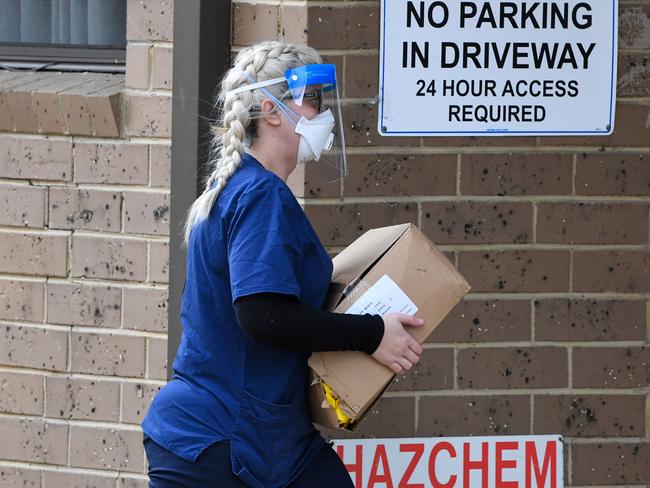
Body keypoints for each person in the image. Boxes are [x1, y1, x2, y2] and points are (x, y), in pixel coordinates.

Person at [141, 41, 425, 488]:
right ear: (271, 111)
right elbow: (263, 315)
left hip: (265, 438)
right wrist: (372, 334)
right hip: (223, 441)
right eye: (312, 99)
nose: (322, 112)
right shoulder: (260, 196)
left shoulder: (240, 187)